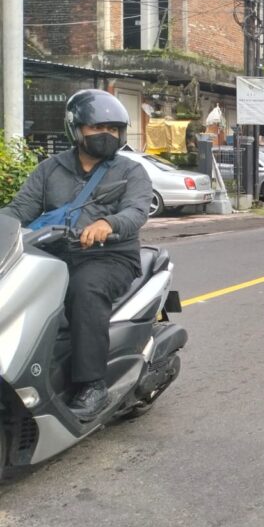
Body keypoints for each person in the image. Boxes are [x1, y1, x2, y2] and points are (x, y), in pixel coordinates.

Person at [0, 90, 151, 421]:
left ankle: (92, 384)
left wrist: (107, 223)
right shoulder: (49, 170)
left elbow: (137, 211)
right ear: (77, 129)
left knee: (85, 289)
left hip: (109, 257)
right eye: (98, 128)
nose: (106, 135)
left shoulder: (130, 171)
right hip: (53, 253)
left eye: (113, 129)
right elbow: (19, 210)